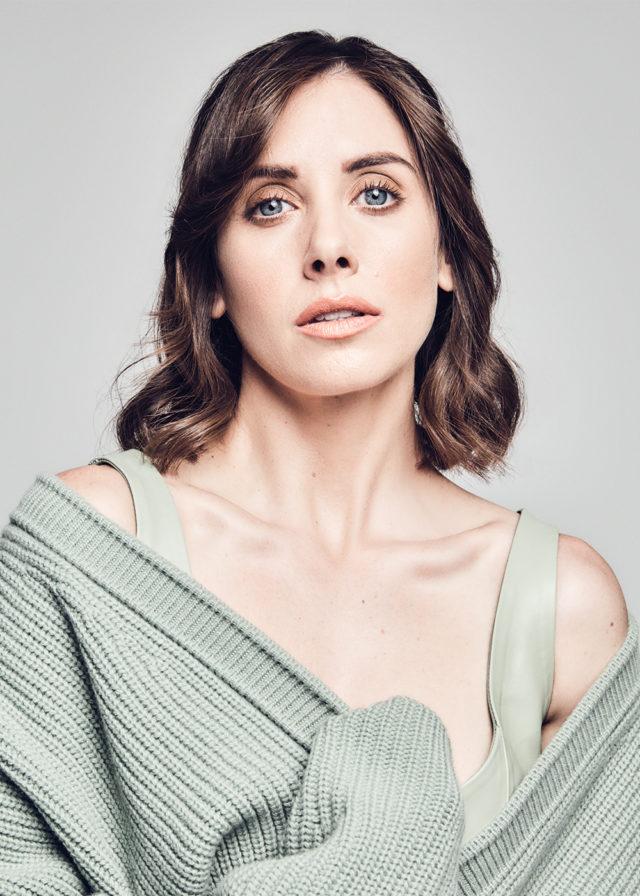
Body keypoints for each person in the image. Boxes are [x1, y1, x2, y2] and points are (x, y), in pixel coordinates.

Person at [1, 29, 633, 894]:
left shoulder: (562, 609)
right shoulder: (90, 556)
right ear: (209, 277)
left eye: (376, 194)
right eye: (271, 205)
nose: (328, 248)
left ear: (448, 252)